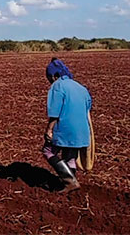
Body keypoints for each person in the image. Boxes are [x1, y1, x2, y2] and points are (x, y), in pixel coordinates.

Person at [43, 58, 92, 193]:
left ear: (55, 75)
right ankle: (69, 183)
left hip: (65, 127)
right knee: (70, 156)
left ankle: (69, 181)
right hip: (82, 129)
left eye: (49, 77)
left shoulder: (57, 86)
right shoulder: (80, 87)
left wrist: (49, 129)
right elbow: (88, 107)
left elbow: (55, 111)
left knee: (48, 151)